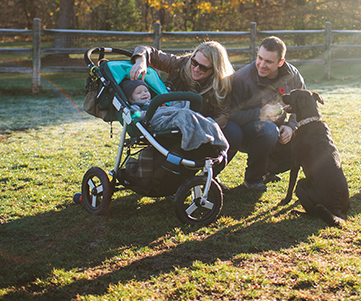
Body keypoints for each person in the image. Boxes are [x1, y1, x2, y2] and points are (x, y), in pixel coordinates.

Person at [128, 41, 242, 183]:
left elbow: (223, 114)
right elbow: (146, 49)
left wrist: (204, 128)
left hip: (201, 126)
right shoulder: (180, 64)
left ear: (215, 69)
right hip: (170, 123)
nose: (196, 68)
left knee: (234, 132)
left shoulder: (222, 84)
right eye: (194, 62)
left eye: (203, 67)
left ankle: (208, 177)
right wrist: (141, 61)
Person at [229, 36, 305, 192]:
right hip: (248, 132)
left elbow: (303, 106)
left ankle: (267, 170)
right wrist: (260, 113)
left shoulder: (292, 75)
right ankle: (253, 179)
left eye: (268, 62)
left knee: (305, 135)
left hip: (279, 127)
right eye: (259, 58)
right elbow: (231, 116)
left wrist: (291, 127)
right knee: (268, 130)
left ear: (281, 62)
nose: (261, 65)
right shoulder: (241, 79)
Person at [119, 78, 228, 153]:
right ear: (130, 98)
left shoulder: (155, 101)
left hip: (169, 113)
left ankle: (215, 140)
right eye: (139, 93)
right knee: (183, 115)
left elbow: (170, 107)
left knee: (204, 119)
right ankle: (195, 142)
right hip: (155, 120)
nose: (144, 94)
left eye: (146, 91)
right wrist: (143, 114)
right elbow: (134, 115)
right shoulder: (136, 107)